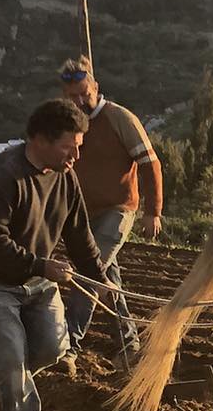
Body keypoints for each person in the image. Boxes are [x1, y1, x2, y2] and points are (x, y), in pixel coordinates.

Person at [0, 97, 110, 411]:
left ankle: (7, 383)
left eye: (78, 148)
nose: (75, 157)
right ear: (40, 140)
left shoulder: (65, 178)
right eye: (69, 148)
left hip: (35, 279)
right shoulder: (0, 176)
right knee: (10, 353)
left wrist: (100, 279)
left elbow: (79, 234)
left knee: (53, 348)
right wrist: (42, 266)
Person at [58, 57, 164, 369]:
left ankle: (67, 346)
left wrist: (152, 211)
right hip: (84, 213)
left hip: (118, 210)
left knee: (88, 274)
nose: (79, 101)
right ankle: (128, 345)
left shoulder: (120, 118)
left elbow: (150, 162)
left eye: (83, 93)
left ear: (95, 87)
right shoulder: (69, 121)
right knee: (106, 275)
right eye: (72, 96)